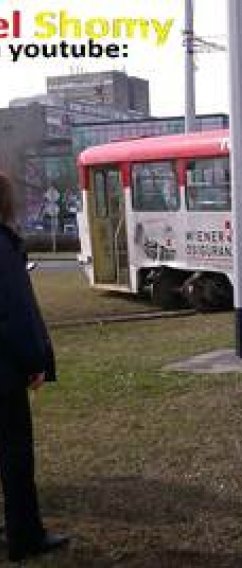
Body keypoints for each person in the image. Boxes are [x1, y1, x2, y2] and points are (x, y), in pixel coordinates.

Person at [0, 172, 69, 562]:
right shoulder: (3, 247)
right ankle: (25, 535)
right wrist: (34, 362)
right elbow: (15, 314)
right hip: (4, 375)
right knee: (16, 456)